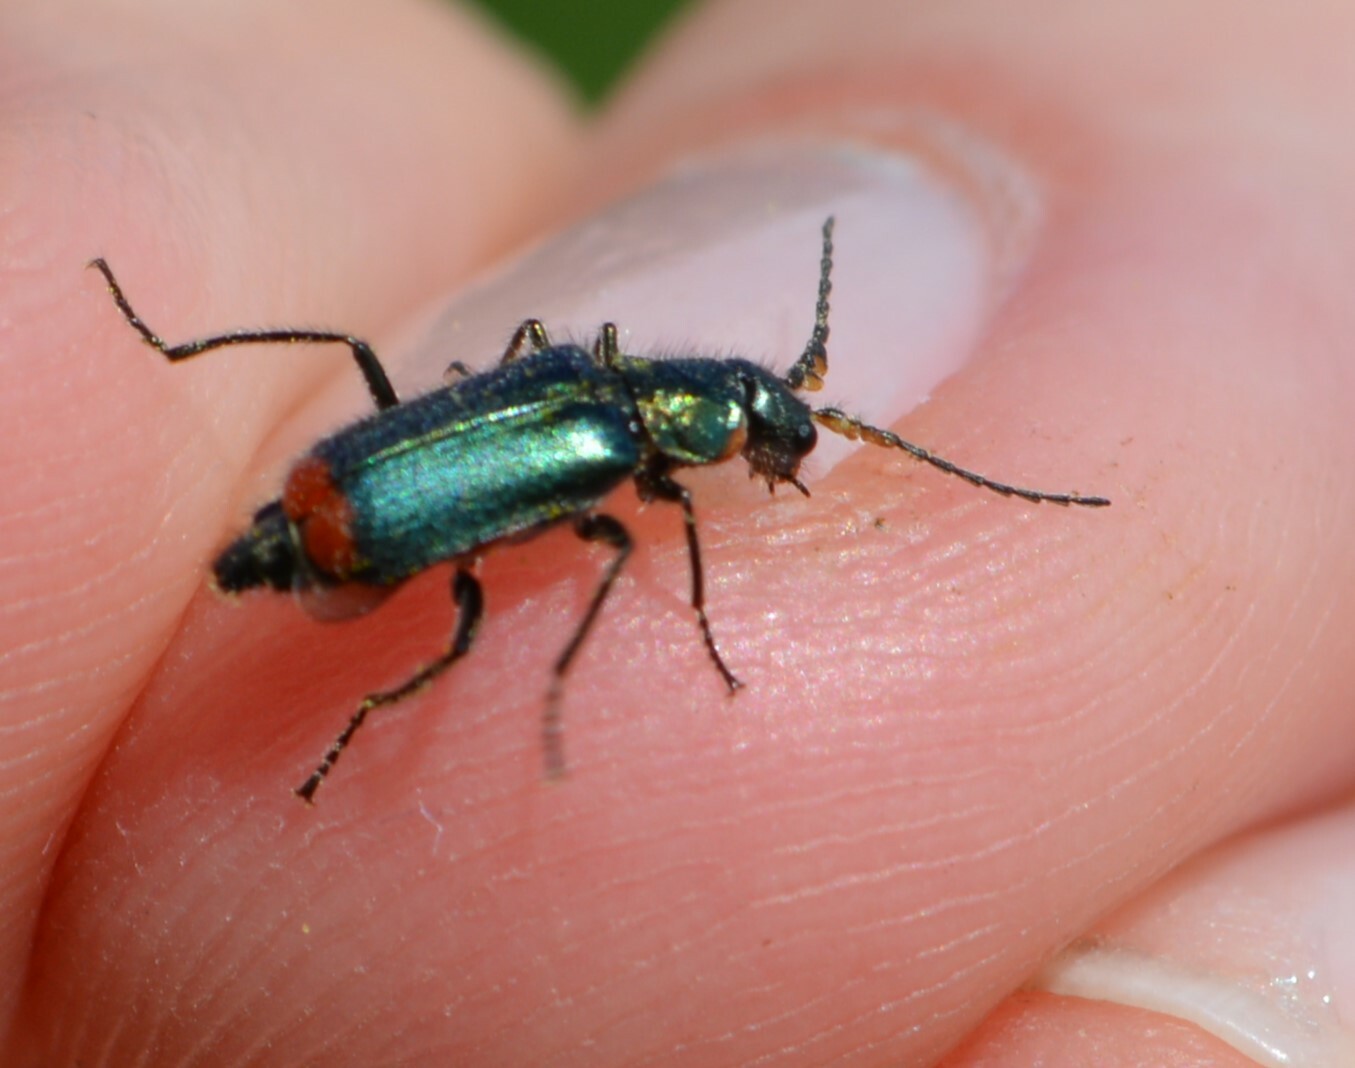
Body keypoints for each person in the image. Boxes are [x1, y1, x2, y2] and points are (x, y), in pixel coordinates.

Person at [3, 2, 1350, 1064]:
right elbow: (651, 533)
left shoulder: (585, 383)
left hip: (338, 499)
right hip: (353, 523)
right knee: (492, 615)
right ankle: (383, 682)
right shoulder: (611, 449)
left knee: (402, 396)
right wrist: (679, 631)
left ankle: (203, 397)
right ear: (707, 420)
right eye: (766, 430)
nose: (772, 449)